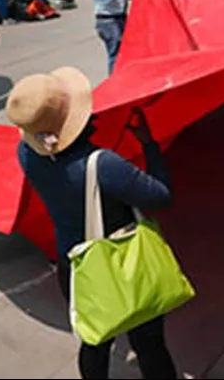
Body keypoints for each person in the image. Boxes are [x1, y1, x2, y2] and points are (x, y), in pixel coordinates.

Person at [10, 68, 179, 380]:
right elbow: (161, 196)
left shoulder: (26, 153)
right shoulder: (102, 164)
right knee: (149, 345)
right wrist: (149, 145)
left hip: (74, 266)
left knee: (95, 341)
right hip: (120, 266)